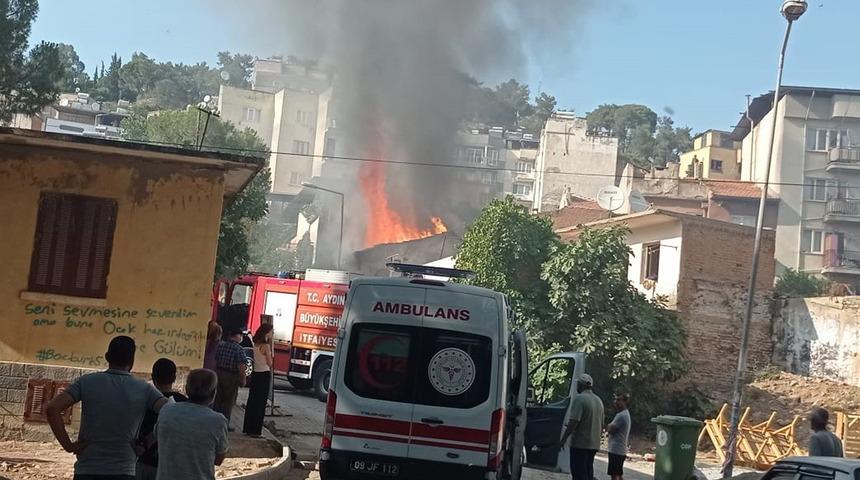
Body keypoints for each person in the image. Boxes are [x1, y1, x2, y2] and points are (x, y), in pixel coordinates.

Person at [45, 336, 168, 480]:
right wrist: (148, 441)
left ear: (107, 356)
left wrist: (68, 445)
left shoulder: (86, 382)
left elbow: (52, 409)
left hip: (87, 469)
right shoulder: (144, 389)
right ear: (132, 361)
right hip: (123, 470)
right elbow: (170, 413)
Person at [155, 369, 228, 480]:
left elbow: (158, 437)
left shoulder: (167, 410)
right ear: (213, 393)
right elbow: (219, 459)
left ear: (186, 389)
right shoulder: (218, 421)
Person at [136, 358, 188, 480]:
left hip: (144, 461)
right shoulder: (184, 403)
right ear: (174, 378)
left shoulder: (143, 400)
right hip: (171, 465)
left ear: (153, 377)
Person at [558, 374, 604, 480]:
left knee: (578, 474)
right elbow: (601, 423)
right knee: (588, 472)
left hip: (580, 444)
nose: (577, 386)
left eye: (578, 384)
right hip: (593, 445)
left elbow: (574, 422)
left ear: (581, 385)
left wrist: (563, 440)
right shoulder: (599, 401)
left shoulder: (580, 399)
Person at [213, 330, 248, 430]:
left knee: (218, 399)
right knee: (228, 401)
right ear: (237, 336)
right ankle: (224, 424)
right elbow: (241, 366)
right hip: (231, 376)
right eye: (240, 335)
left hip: (218, 373)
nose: (241, 338)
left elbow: (216, 359)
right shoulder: (239, 349)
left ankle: (214, 421)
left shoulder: (221, 345)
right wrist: (243, 379)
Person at [243, 323, 274, 437]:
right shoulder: (266, 346)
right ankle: (256, 430)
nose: (272, 333)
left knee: (252, 401)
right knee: (260, 403)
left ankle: (248, 427)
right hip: (264, 374)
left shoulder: (256, 343)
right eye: (271, 331)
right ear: (266, 332)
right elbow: (270, 363)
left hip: (256, 374)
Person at [606, 394, 632, 480]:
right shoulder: (625, 414)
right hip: (620, 449)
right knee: (618, 474)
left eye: (618, 400)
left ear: (625, 402)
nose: (616, 402)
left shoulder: (621, 416)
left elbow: (610, 430)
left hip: (616, 450)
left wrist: (608, 426)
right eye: (615, 399)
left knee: (614, 475)